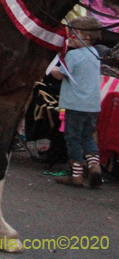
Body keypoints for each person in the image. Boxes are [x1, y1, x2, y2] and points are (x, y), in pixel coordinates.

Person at [47, 16, 103, 188]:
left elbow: (60, 75)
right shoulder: (95, 53)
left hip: (75, 104)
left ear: (85, 37)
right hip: (92, 105)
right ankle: (94, 166)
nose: (69, 36)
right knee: (87, 136)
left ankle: (76, 174)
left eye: (73, 33)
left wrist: (51, 68)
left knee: (72, 138)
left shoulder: (73, 56)